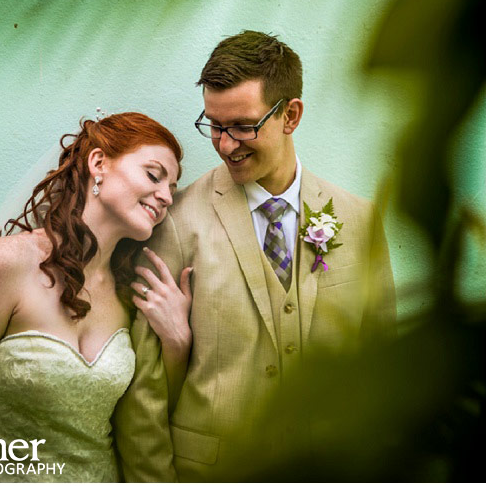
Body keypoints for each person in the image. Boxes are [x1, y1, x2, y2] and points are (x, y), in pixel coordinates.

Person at [114, 30, 396, 482]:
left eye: (243, 126)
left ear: (291, 115)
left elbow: (384, 374)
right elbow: (143, 393)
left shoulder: (359, 222)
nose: (226, 144)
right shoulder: (175, 222)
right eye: (214, 125)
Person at [0, 112, 193, 483]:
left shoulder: (130, 294)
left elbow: (154, 413)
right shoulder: (8, 263)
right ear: (98, 163)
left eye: (173, 188)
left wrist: (177, 341)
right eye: (154, 175)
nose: (166, 197)